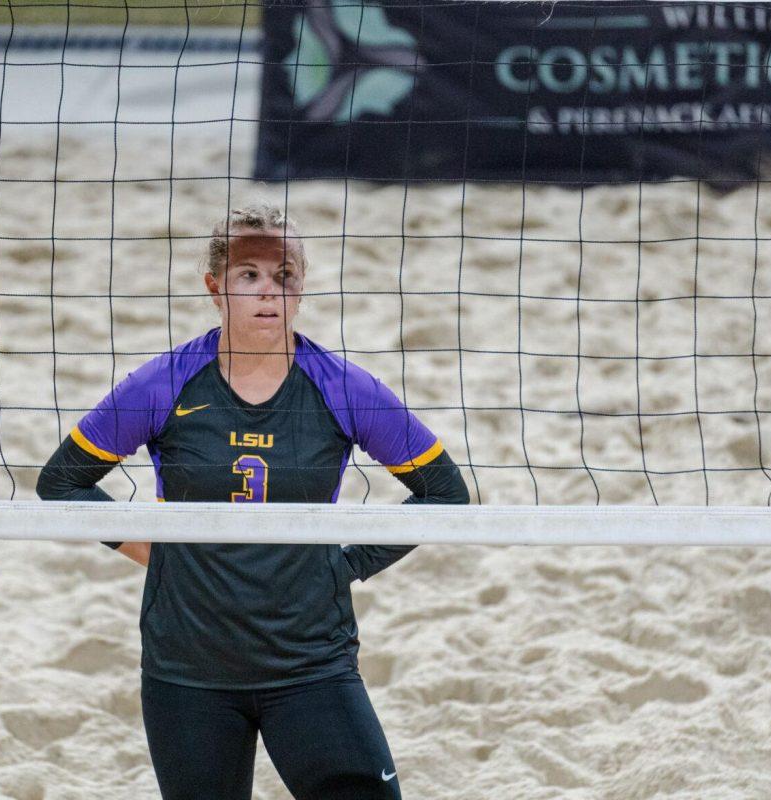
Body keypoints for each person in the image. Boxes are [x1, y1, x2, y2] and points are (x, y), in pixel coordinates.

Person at [36, 203, 469, 800]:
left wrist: (347, 564)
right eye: (249, 276)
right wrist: (159, 555)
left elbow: (446, 493)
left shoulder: (343, 388)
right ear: (215, 287)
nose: (269, 292)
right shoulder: (164, 383)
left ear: (302, 287)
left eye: (284, 275)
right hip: (189, 665)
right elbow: (61, 483)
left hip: (310, 662)